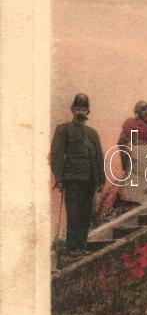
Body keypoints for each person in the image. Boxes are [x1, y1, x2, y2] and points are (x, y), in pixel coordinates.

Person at [51, 93, 105, 257]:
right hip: (73, 179)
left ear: (88, 112)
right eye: (78, 109)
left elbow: (99, 157)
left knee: (86, 215)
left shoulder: (93, 133)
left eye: (83, 109)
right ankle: (72, 248)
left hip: (90, 179)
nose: (81, 112)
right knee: (73, 214)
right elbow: (57, 154)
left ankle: (82, 246)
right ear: (72, 110)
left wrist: (101, 180)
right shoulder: (64, 129)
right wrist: (59, 178)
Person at [117, 101, 147, 205]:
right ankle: (138, 203)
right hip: (137, 153)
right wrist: (127, 154)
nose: (146, 112)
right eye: (143, 110)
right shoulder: (131, 123)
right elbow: (122, 141)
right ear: (137, 112)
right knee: (138, 178)